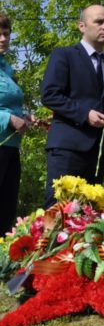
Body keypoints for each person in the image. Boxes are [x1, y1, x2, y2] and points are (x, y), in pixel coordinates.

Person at [41, 5, 104, 208]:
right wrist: (84, 114)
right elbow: (50, 95)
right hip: (67, 148)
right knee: (59, 210)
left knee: (89, 213)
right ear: (82, 26)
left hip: (97, 152)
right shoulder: (64, 55)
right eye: (99, 22)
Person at [0, 14, 34, 234]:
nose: (3, 39)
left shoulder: (7, 69)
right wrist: (9, 119)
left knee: (6, 211)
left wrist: (25, 117)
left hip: (10, 147)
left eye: (6, 33)